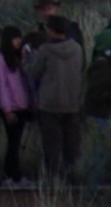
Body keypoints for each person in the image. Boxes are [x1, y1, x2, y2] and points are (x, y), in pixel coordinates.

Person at [25, 12, 88, 187]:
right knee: (73, 147)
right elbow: (82, 68)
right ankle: (75, 181)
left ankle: (55, 183)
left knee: (52, 148)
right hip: (72, 103)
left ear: (52, 30)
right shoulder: (77, 48)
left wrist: (26, 60)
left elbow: (34, 72)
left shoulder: (46, 50)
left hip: (50, 105)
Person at [0, 27, 33, 184]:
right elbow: (1, 86)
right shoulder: (0, 60)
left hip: (21, 106)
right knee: (13, 143)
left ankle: (9, 175)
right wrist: (7, 110)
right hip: (11, 107)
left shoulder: (17, 58)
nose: (18, 42)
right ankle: (14, 176)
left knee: (15, 142)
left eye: (19, 38)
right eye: (15, 39)